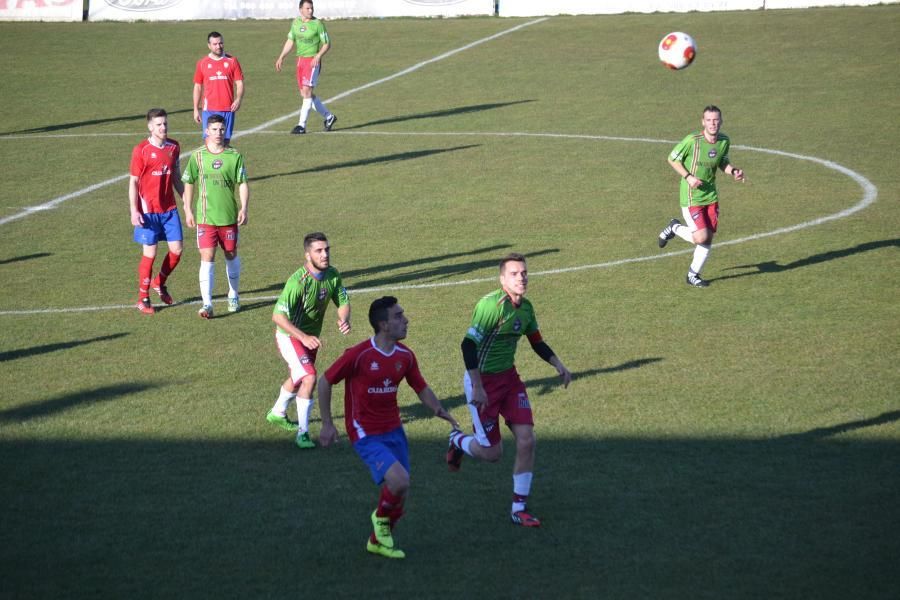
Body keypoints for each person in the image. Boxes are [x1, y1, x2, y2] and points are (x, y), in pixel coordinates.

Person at [318, 296, 459, 559]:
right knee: (399, 480)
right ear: (383, 325)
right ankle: (380, 521)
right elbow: (325, 381)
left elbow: (420, 386)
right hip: (364, 431)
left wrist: (439, 410)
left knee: (401, 491)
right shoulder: (359, 355)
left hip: (393, 429)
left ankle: (377, 540)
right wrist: (327, 423)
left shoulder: (405, 356)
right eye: (398, 316)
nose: (405, 320)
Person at [447, 253, 572, 528]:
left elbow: (536, 341)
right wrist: (478, 387)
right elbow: (468, 345)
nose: (521, 277)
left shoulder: (526, 309)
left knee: (527, 440)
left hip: (509, 380)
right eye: (515, 273)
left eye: (524, 273)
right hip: (482, 383)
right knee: (493, 454)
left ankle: (519, 508)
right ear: (502, 278)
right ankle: (457, 440)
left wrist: (558, 364)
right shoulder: (490, 306)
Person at [267, 232, 351, 449]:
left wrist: (343, 318)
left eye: (327, 250)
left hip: (309, 338)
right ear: (308, 255)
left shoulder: (333, 275)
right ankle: (303, 434)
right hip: (290, 336)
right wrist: (303, 336)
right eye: (319, 251)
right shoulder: (298, 282)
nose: (325, 255)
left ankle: (277, 412)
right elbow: (278, 316)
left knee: (299, 377)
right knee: (310, 377)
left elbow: (342, 300)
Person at [657, 105, 745, 287]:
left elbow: (722, 161)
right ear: (702, 122)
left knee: (708, 237)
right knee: (701, 237)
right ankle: (674, 228)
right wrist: (688, 177)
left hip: (711, 196)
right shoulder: (692, 141)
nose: (713, 124)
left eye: (716, 120)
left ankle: (693, 275)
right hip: (692, 196)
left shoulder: (724, 141)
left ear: (721, 121)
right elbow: (672, 158)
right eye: (709, 120)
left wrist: (733, 171)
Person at [180, 114, 249, 318]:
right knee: (207, 257)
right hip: (206, 217)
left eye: (221, 129)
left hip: (227, 216)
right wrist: (188, 209)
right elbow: (189, 181)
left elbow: (242, 183)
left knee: (230, 254)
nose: (218, 133)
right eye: (214, 129)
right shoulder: (198, 156)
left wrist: (244, 208)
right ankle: (207, 304)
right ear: (206, 131)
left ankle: (233, 294)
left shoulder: (234, 156)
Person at [129, 108, 185, 315]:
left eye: (165, 124)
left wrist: (186, 201)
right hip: (148, 210)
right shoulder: (141, 150)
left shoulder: (174, 147)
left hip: (169, 208)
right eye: (159, 124)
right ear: (150, 127)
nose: (163, 127)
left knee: (177, 250)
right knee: (150, 253)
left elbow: (176, 177)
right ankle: (143, 297)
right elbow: (133, 182)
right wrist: (134, 210)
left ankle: (159, 282)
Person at [274, 0, 337, 135]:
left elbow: (327, 43)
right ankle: (329, 117)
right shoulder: (296, 23)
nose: (311, 11)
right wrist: (281, 57)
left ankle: (301, 125)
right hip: (300, 61)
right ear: (300, 9)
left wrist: (318, 56)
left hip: (312, 62)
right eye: (307, 8)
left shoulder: (318, 24)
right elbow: (290, 40)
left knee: (307, 92)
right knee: (304, 94)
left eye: (312, 8)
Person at [193, 31, 244, 145]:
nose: (218, 46)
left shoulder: (232, 61)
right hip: (209, 109)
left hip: (228, 109)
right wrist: (196, 109)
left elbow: (239, 83)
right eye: (215, 44)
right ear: (209, 45)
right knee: (209, 143)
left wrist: (238, 99)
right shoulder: (202, 63)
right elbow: (197, 86)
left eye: (220, 43)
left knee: (224, 143)